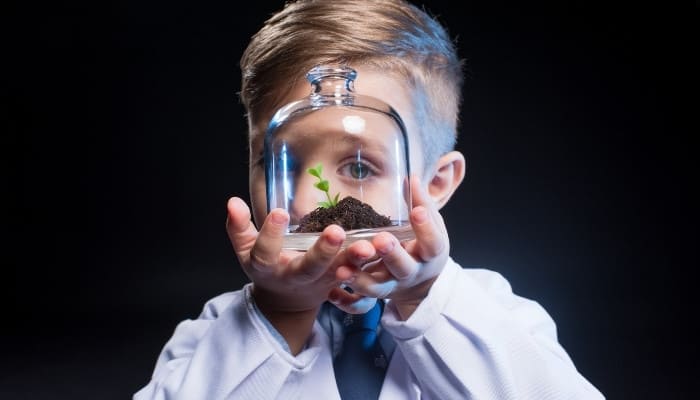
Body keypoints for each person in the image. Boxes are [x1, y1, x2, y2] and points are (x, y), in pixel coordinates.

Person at [134, 1, 605, 399]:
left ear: (437, 182)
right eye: (280, 166)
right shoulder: (216, 329)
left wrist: (423, 296)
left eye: (359, 168)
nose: (303, 204)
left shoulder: (498, 311)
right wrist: (280, 312)